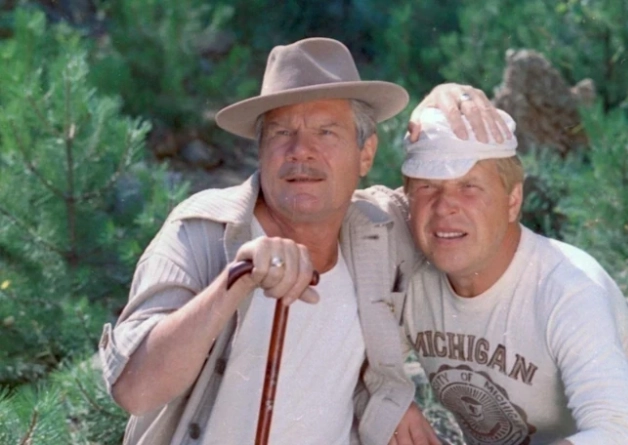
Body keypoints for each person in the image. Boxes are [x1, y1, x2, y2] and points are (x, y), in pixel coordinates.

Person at [98, 38, 504, 445]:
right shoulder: (201, 231)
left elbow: (457, 205)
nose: (300, 151)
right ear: (260, 151)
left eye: (326, 132)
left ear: (365, 154)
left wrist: (444, 101)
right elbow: (135, 392)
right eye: (281, 132)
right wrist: (236, 280)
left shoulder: (382, 229)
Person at [401, 108, 628, 444]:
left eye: (469, 186)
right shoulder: (410, 277)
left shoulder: (568, 287)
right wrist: (390, 401)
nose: (444, 207)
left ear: (513, 200)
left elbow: (626, 434)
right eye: (427, 187)